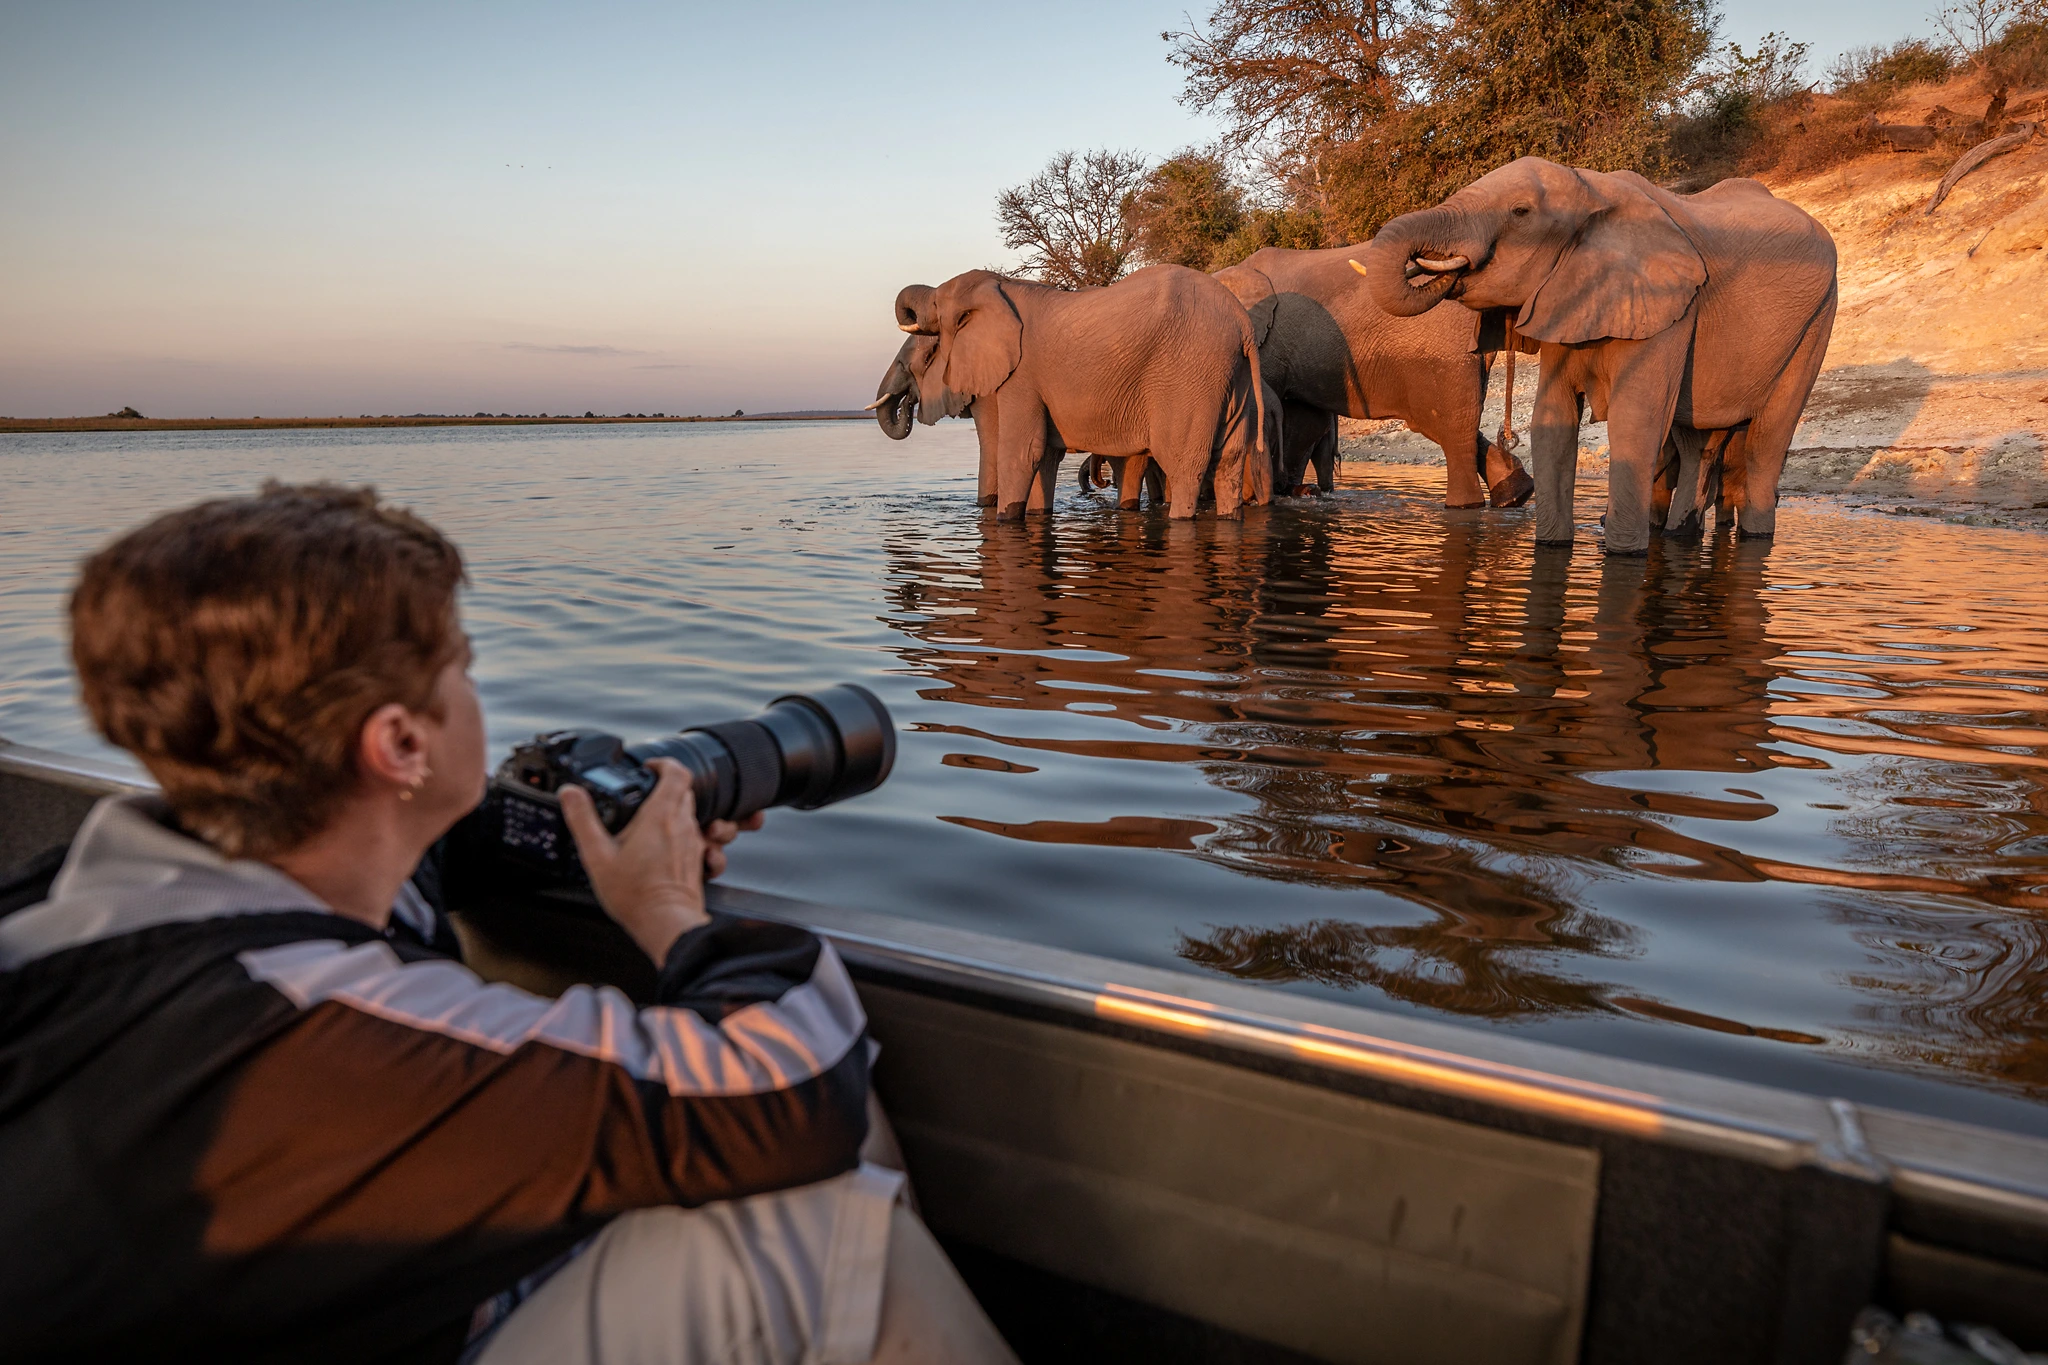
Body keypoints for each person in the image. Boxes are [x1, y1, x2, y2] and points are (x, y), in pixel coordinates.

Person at [0, 483, 1017, 1365]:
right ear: (398, 742)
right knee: (815, 1238)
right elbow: (796, 1076)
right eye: (461, 667)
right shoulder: (305, 1026)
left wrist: (584, 816)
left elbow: (424, 856)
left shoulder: (86, 897)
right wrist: (668, 909)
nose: (476, 692)